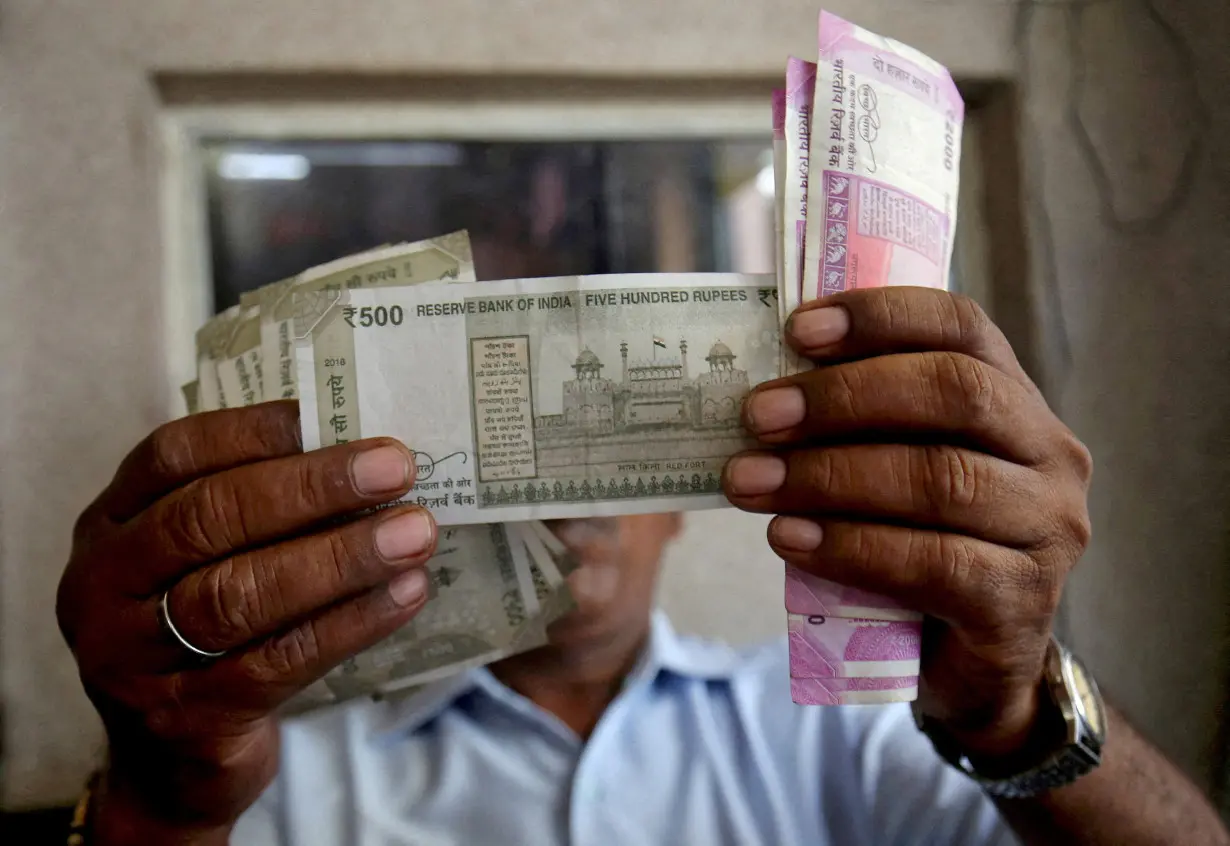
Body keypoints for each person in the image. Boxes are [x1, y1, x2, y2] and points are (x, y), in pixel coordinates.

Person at [57, 288, 1228, 845]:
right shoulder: (280, 778)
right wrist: (160, 808)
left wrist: (1017, 711)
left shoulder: (841, 731)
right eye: (537, 464)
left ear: (678, 506)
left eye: (601, 465)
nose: (569, 509)